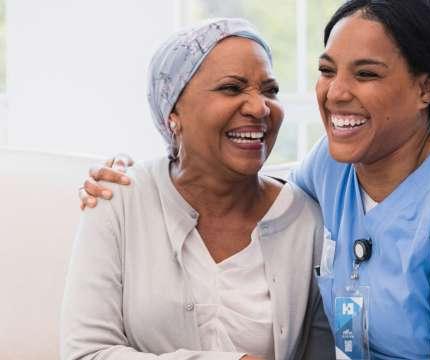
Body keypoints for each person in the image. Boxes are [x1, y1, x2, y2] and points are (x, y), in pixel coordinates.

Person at [79, 1, 430, 359]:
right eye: (328, 70)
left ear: (426, 88)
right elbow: (238, 180)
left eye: (367, 74)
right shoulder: (332, 169)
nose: (336, 93)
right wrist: (141, 177)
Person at [61, 18, 334, 360]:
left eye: (270, 90)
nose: (260, 107)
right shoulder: (116, 200)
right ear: (172, 112)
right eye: (232, 88)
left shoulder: (306, 220)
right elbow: (85, 352)